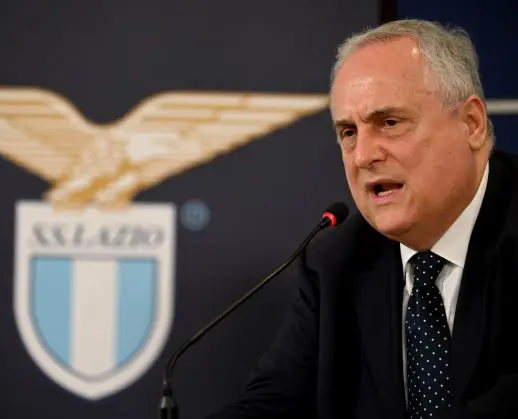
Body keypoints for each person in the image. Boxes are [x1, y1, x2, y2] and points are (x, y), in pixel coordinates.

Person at [205, 19, 518, 419]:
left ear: (471, 123)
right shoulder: (336, 262)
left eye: (389, 123)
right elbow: (269, 404)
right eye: (348, 132)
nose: (362, 156)